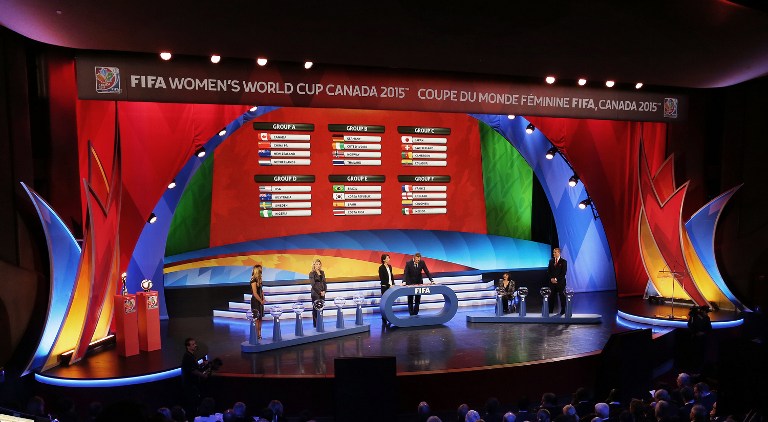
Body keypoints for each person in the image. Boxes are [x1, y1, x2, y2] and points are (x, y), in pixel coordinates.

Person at [181, 338, 210, 417]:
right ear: (188, 347)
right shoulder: (188, 357)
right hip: (190, 386)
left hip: (192, 385)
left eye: (195, 344)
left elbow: (194, 367)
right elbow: (193, 371)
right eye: (193, 344)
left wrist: (202, 364)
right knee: (193, 404)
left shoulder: (191, 355)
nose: (195, 345)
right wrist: (204, 376)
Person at [547, 247, 568, 315]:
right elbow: (549, 271)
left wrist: (556, 279)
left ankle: (563, 310)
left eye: (555, 252)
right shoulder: (551, 261)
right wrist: (551, 279)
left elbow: (563, 273)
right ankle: (550, 311)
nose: (553, 253)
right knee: (551, 297)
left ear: (559, 253)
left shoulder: (564, 262)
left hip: (560, 283)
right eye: (553, 252)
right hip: (552, 283)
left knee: (562, 297)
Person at [250, 264, 265, 340]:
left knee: (260, 318)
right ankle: (256, 335)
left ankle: (260, 334)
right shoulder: (253, 280)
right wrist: (260, 300)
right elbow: (255, 293)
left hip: (260, 301)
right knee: (257, 319)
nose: (262, 271)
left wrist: (263, 298)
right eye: (261, 270)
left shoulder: (260, 280)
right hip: (256, 301)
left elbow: (261, 291)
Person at [309, 259, 327, 327]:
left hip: (323, 293)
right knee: (315, 308)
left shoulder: (322, 272)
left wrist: (324, 291)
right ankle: (316, 324)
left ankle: (320, 323)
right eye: (317, 264)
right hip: (315, 293)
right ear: (314, 265)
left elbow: (324, 282)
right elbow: (313, 284)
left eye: (319, 264)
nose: (318, 266)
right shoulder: (311, 273)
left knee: (321, 308)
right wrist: (319, 292)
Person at [379, 253, 395, 325]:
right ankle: (384, 318)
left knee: (389, 303)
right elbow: (382, 279)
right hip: (385, 287)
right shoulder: (381, 268)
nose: (389, 259)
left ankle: (389, 317)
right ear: (384, 259)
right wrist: (388, 285)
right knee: (384, 303)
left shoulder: (390, 266)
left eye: (389, 258)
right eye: (388, 258)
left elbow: (391, 276)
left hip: (390, 287)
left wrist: (393, 283)